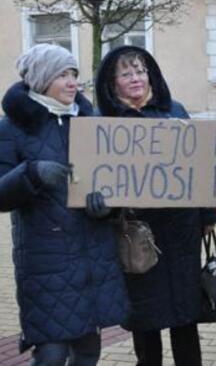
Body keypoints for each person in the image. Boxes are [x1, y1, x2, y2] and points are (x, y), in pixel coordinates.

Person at [0, 44, 128, 365]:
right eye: (62, 74)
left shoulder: (91, 121)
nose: (73, 82)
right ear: (42, 78)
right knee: (51, 354)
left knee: (88, 351)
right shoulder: (11, 128)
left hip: (94, 258)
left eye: (74, 74)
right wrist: (31, 174)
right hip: (47, 262)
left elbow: (115, 180)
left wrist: (108, 207)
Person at [94, 46, 216, 366]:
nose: (135, 78)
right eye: (126, 73)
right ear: (112, 83)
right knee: (145, 317)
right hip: (136, 233)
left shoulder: (174, 111)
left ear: (151, 75)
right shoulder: (103, 123)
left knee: (185, 313)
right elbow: (97, 177)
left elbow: (200, 166)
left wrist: (208, 214)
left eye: (140, 71)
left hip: (180, 231)